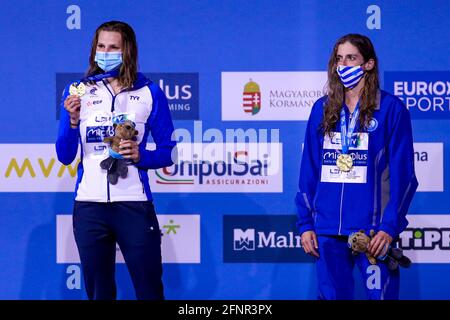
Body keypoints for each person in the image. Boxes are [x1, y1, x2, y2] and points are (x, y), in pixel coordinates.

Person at [56, 21, 176, 300]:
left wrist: (142, 156)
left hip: (133, 205)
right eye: (101, 46)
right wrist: (72, 121)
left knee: (149, 291)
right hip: (89, 208)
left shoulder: (149, 92)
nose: (105, 52)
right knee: (99, 294)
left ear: (127, 51)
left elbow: (170, 151)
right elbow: (64, 155)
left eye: (113, 47)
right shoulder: (77, 91)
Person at [295, 34, 418, 300]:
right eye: (339, 59)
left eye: (351, 58)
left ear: (369, 64)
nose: (343, 65)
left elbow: (404, 177)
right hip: (327, 230)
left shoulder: (391, 109)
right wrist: (306, 224)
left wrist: (388, 227)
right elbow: (309, 171)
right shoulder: (323, 109)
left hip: (373, 232)